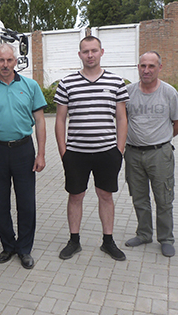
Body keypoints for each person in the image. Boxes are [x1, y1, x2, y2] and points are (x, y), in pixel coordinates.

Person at [0, 43, 46, 270]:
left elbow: (40, 121)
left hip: (24, 150)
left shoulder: (31, 86)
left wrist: (41, 153)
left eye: (9, 60)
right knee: (1, 203)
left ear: (15, 62)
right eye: (1, 60)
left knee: (26, 203)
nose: (5, 65)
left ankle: (24, 249)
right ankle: (8, 245)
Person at [54, 35, 129, 261]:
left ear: (101, 52)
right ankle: (74, 240)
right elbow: (60, 120)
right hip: (76, 153)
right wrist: (64, 152)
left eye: (94, 50)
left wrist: (119, 150)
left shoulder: (116, 82)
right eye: (85, 51)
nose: (90, 55)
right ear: (80, 54)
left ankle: (108, 241)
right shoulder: (67, 83)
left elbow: (122, 118)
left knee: (105, 195)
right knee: (75, 195)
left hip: (107, 152)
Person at [123, 51, 178, 257]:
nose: (146, 70)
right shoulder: (128, 92)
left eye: (151, 66)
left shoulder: (169, 93)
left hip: (160, 154)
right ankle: (144, 234)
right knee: (139, 197)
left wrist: (160, 139)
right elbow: (122, 121)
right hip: (133, 153)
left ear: (160, 67)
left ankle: (166, 239)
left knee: (164, 198)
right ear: (138, 67)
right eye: (143, 66)